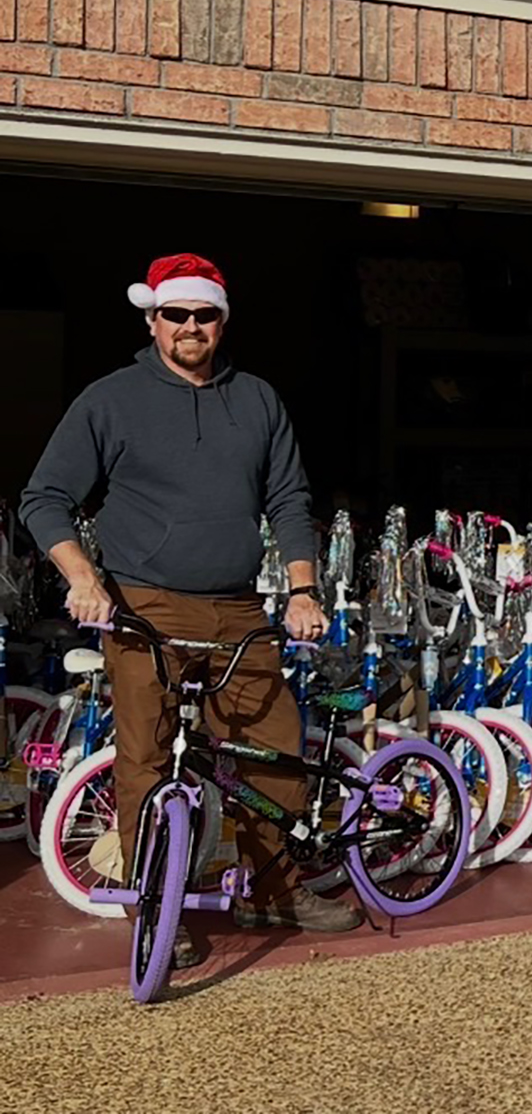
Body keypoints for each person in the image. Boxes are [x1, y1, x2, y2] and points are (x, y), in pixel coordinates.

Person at [21, 253, 355, 969]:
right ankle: (154, 906)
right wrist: (84, 579)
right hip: (144, 605)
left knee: (275, 751)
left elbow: (289, 500)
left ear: (222, 321)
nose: (190, 326)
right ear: (153, 320)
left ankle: (274, 890)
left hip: (240, 608)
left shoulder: (258, 399)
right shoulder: (111, 400)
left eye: (205, 315)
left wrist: (303, 589)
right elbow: (44, 498)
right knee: (146, 756)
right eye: (176, 314)